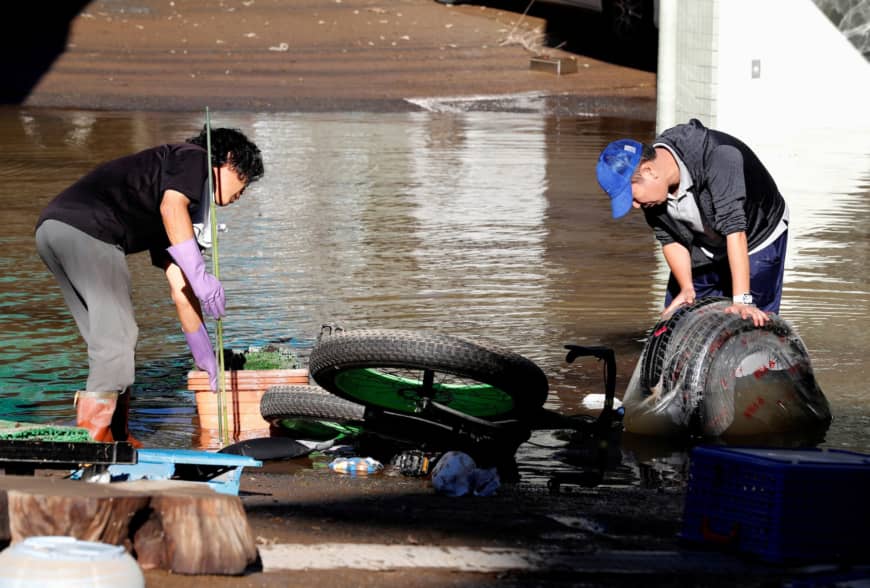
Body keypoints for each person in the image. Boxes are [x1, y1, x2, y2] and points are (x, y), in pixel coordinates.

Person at [35, 126, 264, 445]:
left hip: (53, 231)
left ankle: (116, 436)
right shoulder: (193, 159)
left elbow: (180, 287)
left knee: (107, 344)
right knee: (119, 338)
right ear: (226, 160)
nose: (244, 190)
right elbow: (172, 208)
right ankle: (93, 440)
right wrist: (200, 273)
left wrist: (204, 355)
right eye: (245, 178)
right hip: (87, 230)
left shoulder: (176, 204)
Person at [596, 118, 788, 327]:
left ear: (649, 171)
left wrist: (742, 301)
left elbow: (735, 231)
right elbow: (669, 238)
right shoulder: (652, 194)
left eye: (632, 196)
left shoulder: (718, 158)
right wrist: (687, 288)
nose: (634, 205)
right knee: (679, 319)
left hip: (756, 235)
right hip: (701, 240)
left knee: (750, 320)